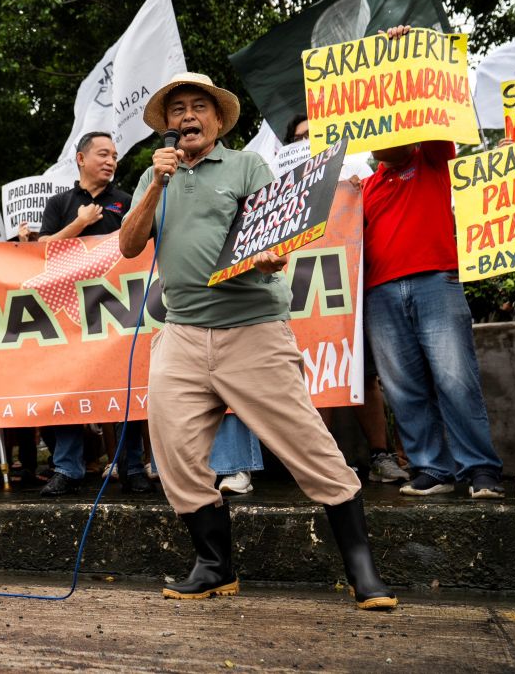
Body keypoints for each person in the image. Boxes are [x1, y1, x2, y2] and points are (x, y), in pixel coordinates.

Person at [119, 71, 395, 610]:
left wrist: (273, 254)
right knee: (173, 452)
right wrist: (156, 184)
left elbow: (273, 234)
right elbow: (130, 246)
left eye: (200, 107)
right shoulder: (157, 177)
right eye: (178, 111)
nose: (188, 117)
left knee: (308, 446)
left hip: (253, 331)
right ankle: (214, 567)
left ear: (219, 121)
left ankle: (363, 571)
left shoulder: (247, 165)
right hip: (180, 335)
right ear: (167, 127)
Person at [360, 27, 505, 500]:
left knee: (456, 379)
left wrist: (400, 52)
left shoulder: (433, 157)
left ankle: (480, 469)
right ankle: (432, 469)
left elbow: (438, 101)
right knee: (404, 388)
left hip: (436, 280)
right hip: (380, 293)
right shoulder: (364, 188)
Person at [289, 116, 409, 484]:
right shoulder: (284, 188)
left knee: (366, 375)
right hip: (306, 300)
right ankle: (324, 462)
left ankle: (381, 455)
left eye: (316, 135)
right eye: (301, 138)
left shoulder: (357, 173)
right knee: (315, 380)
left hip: (353, 295)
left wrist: (357, 195)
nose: (309, 141)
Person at [36, 131, 153, 496]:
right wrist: (81, 223)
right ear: (81, 159)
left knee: (124, 388)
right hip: (69, 317)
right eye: (103, 153)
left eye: (115, 155)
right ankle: (67, 469)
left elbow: (139, 245)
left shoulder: (126, 200)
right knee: (68, 390)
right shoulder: (60, 203)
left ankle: (130, 465)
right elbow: (39, 250)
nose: (111, 161)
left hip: (117, 311)